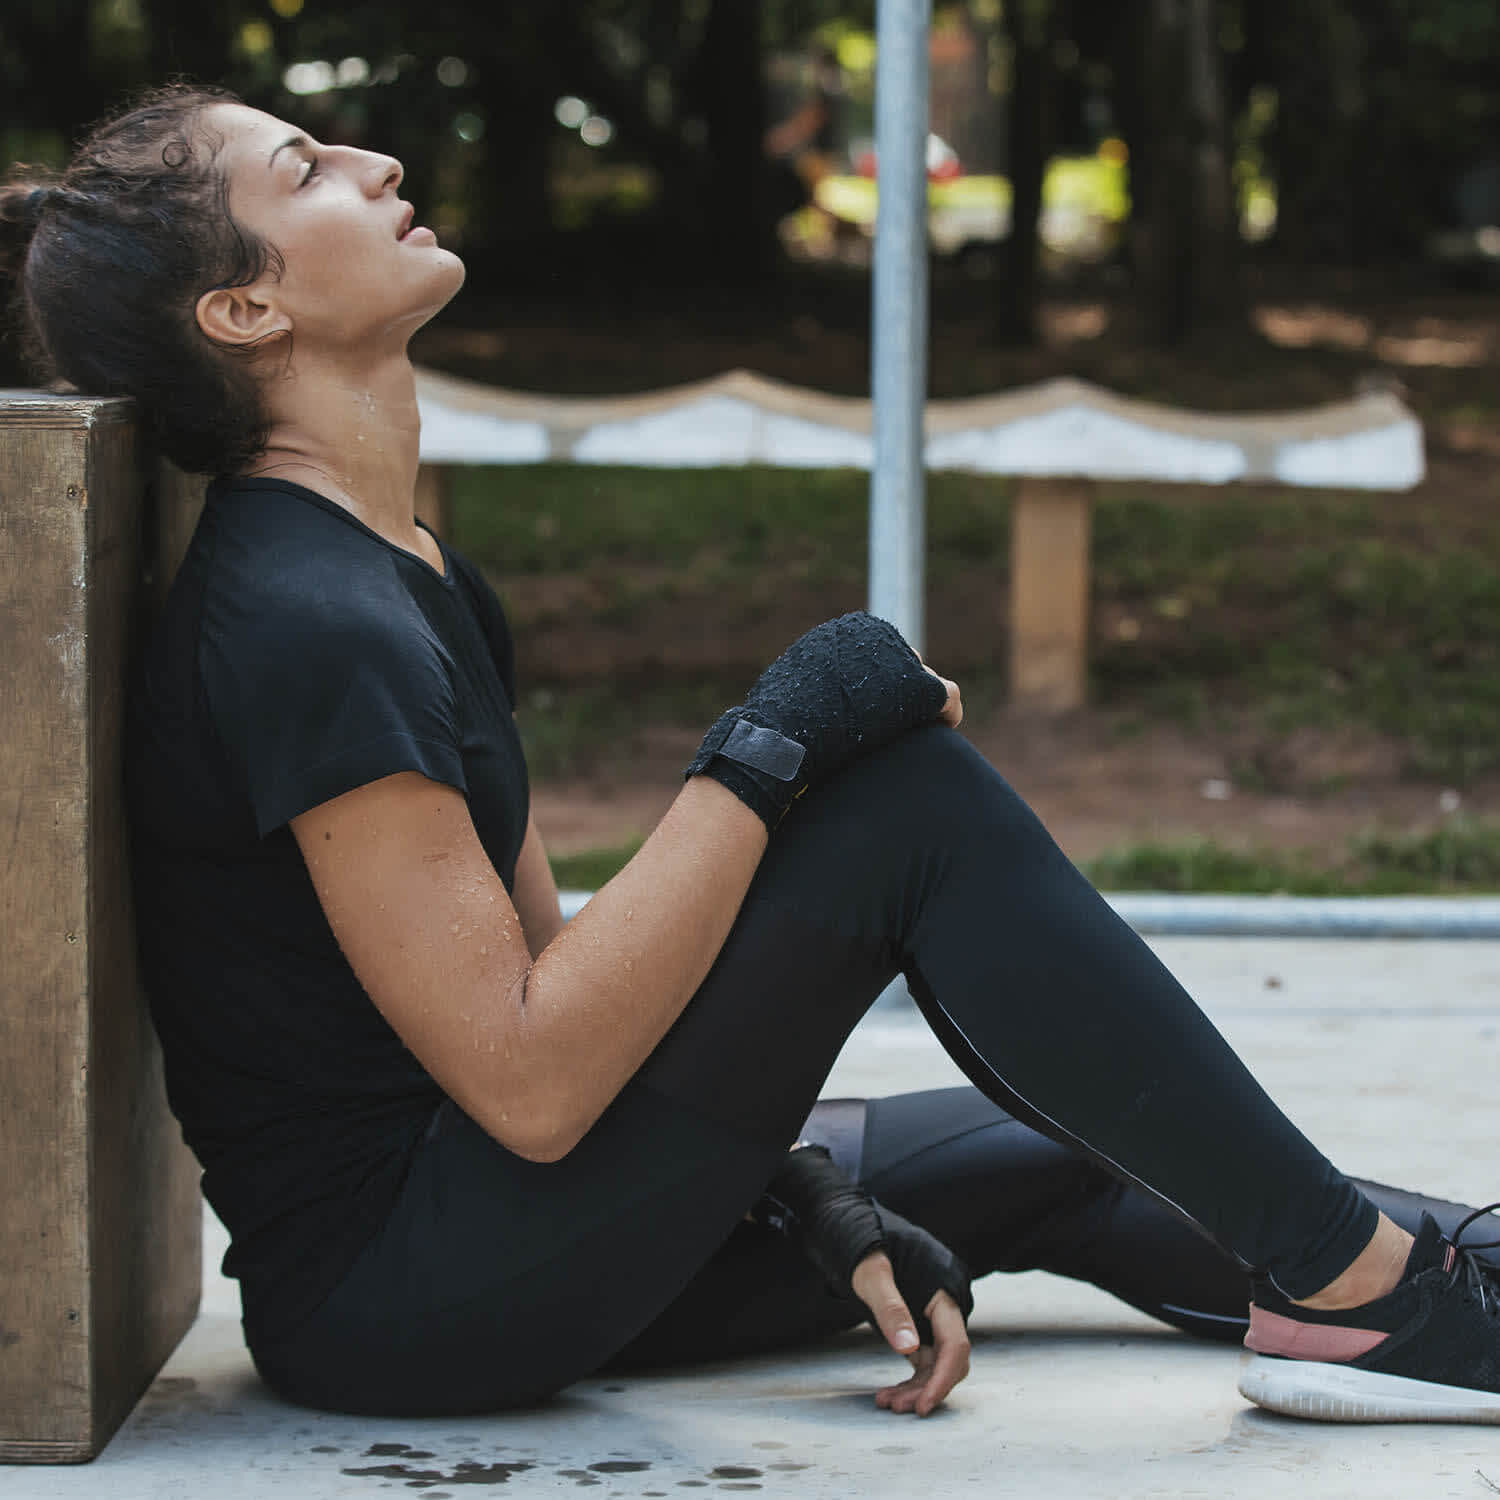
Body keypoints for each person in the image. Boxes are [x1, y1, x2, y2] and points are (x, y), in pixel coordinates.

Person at [3, 84, 1498, 1428]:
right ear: (244, 312)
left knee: (1062, 1153)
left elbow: (552, 961)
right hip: (412, 1292)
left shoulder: (405, 568)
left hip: (507, 1217)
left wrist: (800, 1199)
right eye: (308, 168)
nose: (377, 162)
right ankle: (1362, 1298)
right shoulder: (303, 623)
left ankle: (1444, 1271)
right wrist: (772, 744)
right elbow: (527, 1076)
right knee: (904, 802)